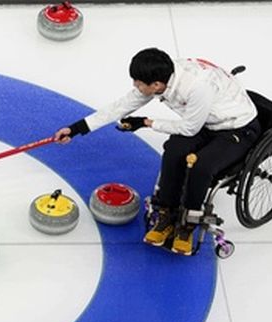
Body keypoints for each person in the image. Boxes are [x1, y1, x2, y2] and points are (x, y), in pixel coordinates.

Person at [55, 47, 261, 255]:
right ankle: (167, 214)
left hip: (236, 128)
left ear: (156, 85)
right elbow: (122, 105)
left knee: (201, 166)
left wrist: (146, 122)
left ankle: (188, 225)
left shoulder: (197, 87)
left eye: (138, 83)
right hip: (204, 121)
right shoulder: (162, 75)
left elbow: (190, 128)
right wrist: (76, 129)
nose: (135, 86)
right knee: (173, 151)